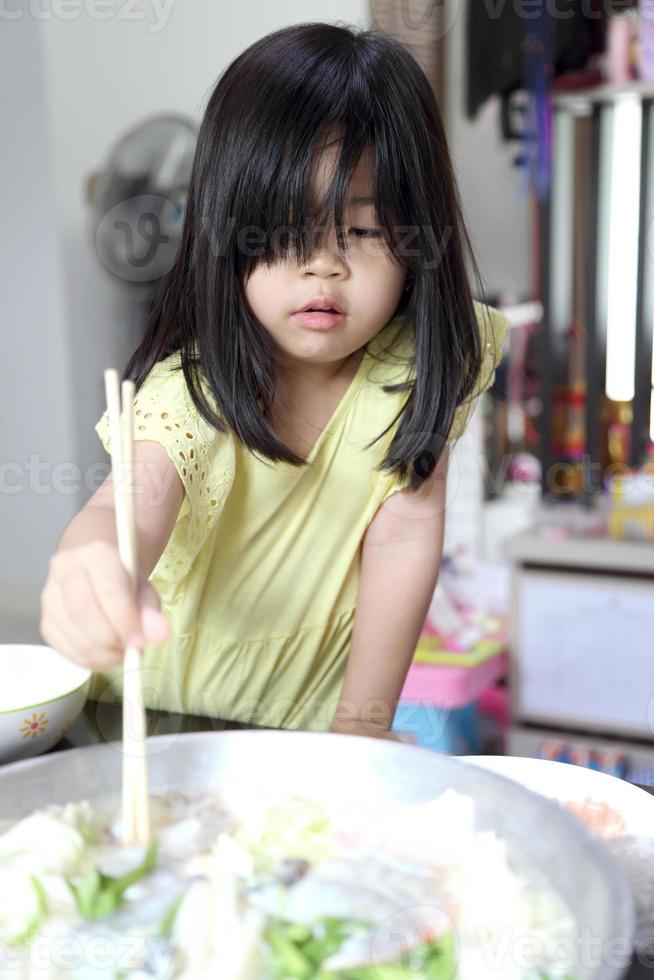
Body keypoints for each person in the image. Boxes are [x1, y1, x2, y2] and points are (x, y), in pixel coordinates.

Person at [40, 21, 510, 740]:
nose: (324, 267)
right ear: (224, 239)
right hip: (154, 723)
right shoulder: (192, 395)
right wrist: (90, 559)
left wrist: (363, 725)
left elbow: (405, 535)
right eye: (283, 234)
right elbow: (127, 508)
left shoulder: (418, 370)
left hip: (300, 735)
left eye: (360, 232)